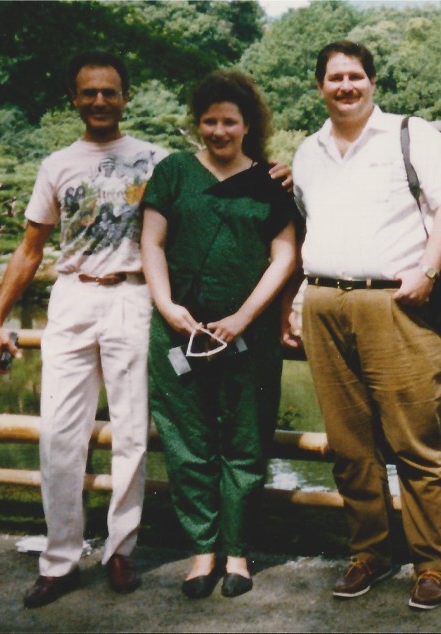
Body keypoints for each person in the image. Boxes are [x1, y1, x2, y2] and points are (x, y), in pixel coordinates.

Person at [290, 40, 441, 610]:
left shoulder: (411, 136)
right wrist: (297, 301)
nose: (346, 86)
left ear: (372, 82)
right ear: (319, 86)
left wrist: (427, 269)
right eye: (334, 78)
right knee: (349, 445)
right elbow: (305, 224)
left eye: (356, 76)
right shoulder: (307, 152)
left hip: (397, 303)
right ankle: (370, 550)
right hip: (324, 301)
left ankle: (434, 563)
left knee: (416, 442)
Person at [0, 50, 167, 609]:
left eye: (109, 92)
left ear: (126, 97)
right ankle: (60, 558)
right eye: (88, 92)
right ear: (73, 98)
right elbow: (30, 249)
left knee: (132, 431)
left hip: (134, 296)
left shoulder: (159, 160)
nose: (99, 102)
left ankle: (120, 550)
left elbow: (213, 192)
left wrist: (273, 170)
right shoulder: (56, 165)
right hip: (72, 297)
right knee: (60, 432)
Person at [139, 70, 298, 600]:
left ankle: (237, 552)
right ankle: (202, 550)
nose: (219, 130)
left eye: (229, 121)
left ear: (247, 124)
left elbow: (284, 256)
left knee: (246, 440)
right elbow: (153, 243)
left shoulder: (271, 182)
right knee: (187, 442)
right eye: (209, 120)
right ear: (198, 123)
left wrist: (245, 316)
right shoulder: (174, 172)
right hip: (177, 331)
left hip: (246, 333)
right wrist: (167, 305)